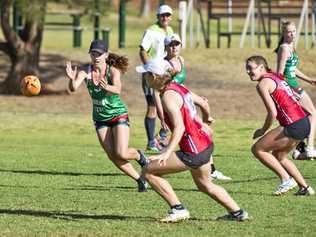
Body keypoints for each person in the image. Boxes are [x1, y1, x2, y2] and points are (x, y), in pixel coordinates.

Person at [136, 58, 249, 222]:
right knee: (205, 185)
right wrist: (206, 119)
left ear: (154, 76)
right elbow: (203, 102)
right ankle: (238, 213)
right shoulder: (178, 87)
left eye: (146, 74)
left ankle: (178, 209)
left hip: (193, 150)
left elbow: (180, 127)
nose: (145, 78)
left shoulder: (168, 96)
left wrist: (166, 153)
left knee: (148, 170)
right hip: (205, 145)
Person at [65, 39, 148, 192]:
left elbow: (118, 89)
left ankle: (139, 155)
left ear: (106, 55)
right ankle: (139, 179)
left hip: (117, 114)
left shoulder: (113, 70)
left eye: (99, 53)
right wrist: (71, 80)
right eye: (93, 53)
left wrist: (106, 86)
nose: (96, 56)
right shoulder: (85, 71)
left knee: (121, 152)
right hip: (100, 118)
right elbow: (73, 88)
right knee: (112, 155)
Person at [162, 33, 232, 180]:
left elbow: (181, 86)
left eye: (177, 44)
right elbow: (159, 91)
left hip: (183, 100)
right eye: (171, 44)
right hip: (174, 104)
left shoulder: (181, 60)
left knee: (207, 132)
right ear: (166, 47)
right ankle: (155, 167)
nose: (174, 47)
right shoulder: (164, 65)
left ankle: (210, 170)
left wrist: (193, 98)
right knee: (195, 134)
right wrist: (162, 115)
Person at [246, 55, 315, 196]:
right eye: (246, 69)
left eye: (250, 68)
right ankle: (305, 188)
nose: (248, 71)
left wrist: (262, 130)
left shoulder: (263, 84)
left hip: (293, 124)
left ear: (261, 67)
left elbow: (272, 113)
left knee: (258, 149)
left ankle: (286, 180)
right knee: (279, 155)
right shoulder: (275, 76)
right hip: (304, 123)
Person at [275, 21, 316, 160]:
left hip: (294, 84)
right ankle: (309, 148)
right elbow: (280, 73)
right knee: (312, 113)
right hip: (290, 86)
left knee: (303, 116)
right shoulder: (284, 48)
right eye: (289, 32)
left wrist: (309, 79)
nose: (292, 34)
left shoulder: (291, 47)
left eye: (294, 31)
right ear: (284, 33)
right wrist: (288, 91)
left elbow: (292, 69)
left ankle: (300, 149)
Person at [139, 4, 174, 152]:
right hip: (152, 75)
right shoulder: (151, 31)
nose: (165, 18)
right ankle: (151, 142)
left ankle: (162, 136)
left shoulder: (170, 30)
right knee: (153, 106)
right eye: (162, 15)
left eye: (167, 15)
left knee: (169, 104)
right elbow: (142, 51)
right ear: (158, 17)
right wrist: (150, 69)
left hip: (165, 74)